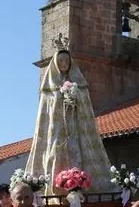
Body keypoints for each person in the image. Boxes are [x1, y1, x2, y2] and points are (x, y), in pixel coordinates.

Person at [22, 39, 113, 196]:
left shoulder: (80, 86)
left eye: (66, 60)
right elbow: (46, 113)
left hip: (75, 129)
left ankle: (80, 183)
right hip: (56, 131)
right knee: (54, 156)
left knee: (77, 154)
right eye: (60, 61)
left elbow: (85, 106)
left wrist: (74, 95)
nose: (64, 63)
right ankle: (52, 187)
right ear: (56, 64)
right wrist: (60, 95)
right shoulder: (48, 89)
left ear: (71, 63)